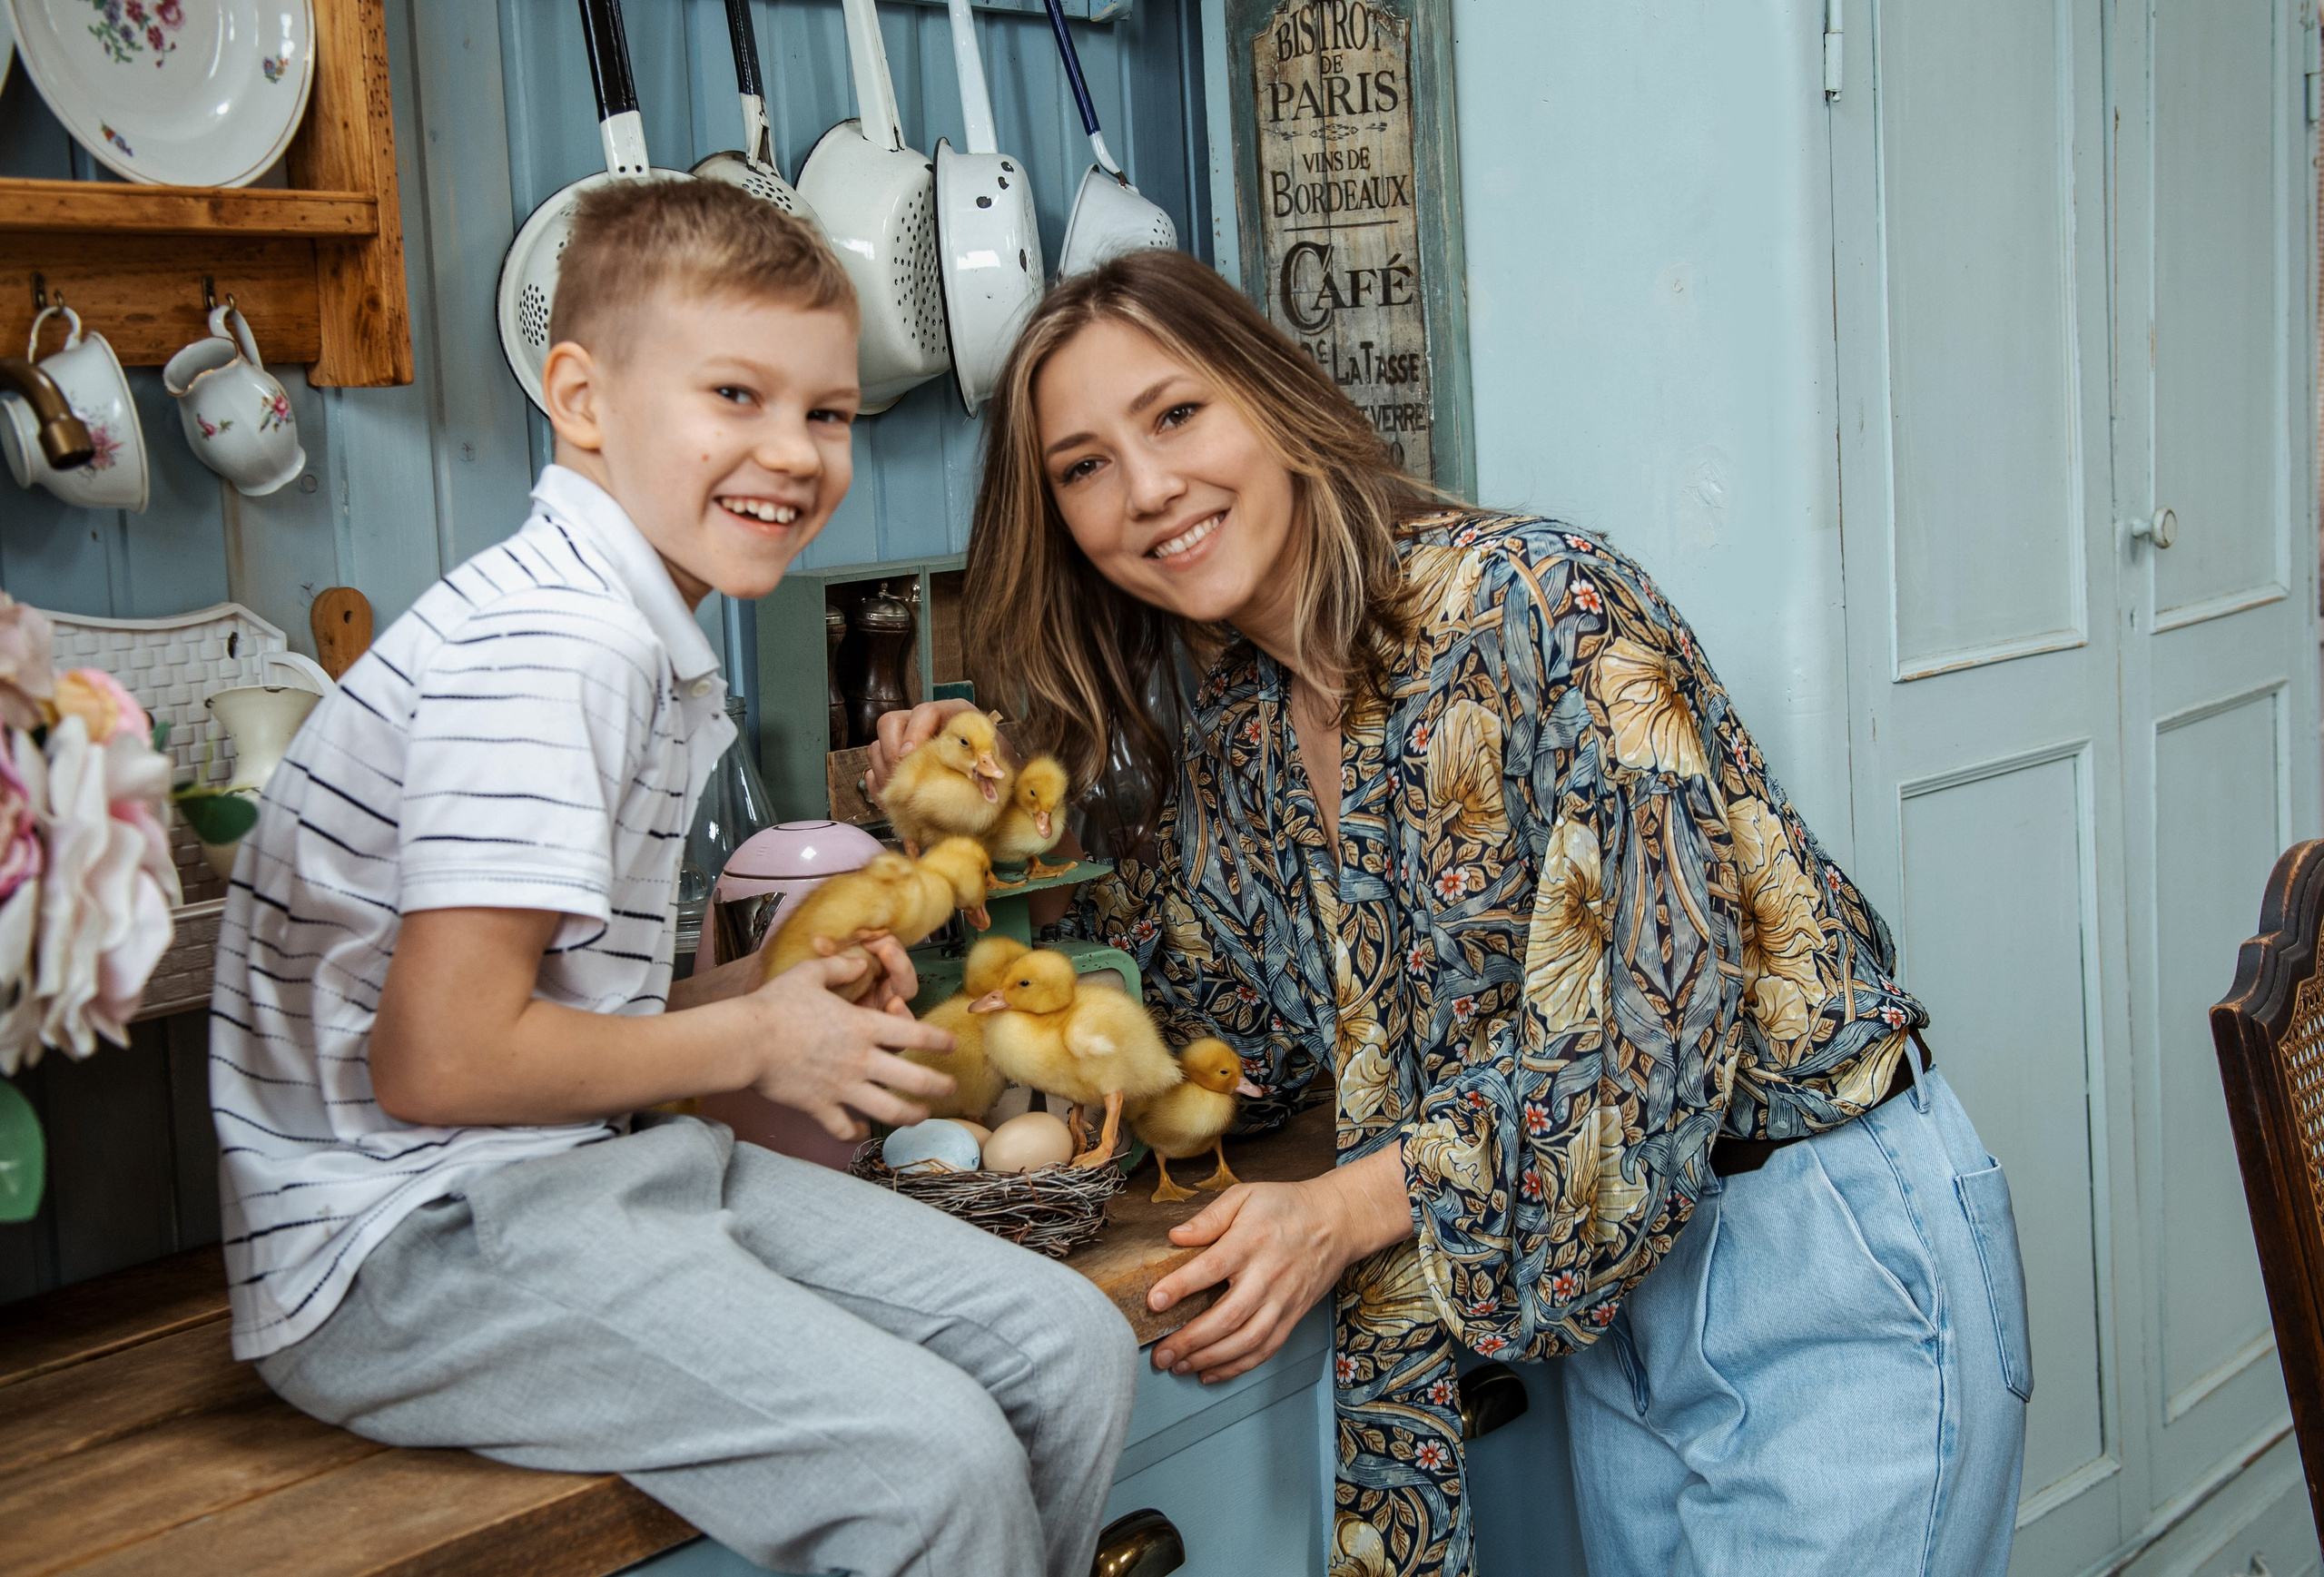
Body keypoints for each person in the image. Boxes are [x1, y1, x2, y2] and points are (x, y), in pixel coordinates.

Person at [869, 250, 2031, 1577]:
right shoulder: (1247, 727)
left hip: (1814, 1259)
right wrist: (996, 805)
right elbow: (1228, 1037)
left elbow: (1645, 1045)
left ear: (1272, 396)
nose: (1147, 490)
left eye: (1177, 413)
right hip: (1615, 1302)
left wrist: (1350, 1209)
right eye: (1083, 466)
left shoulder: (1547, 604)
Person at [209, 180, 1137, 1577]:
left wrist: (760, 987)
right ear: (582, 398)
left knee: (1067, 1347)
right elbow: (441, 1062)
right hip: (402, 1250)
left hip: (580, 1171)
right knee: (931, 1468)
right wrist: (760, 1034)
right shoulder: (557, 647)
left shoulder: (634, 638)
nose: (794, 451)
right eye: (734, 394)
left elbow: (557, 1031)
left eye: (825, 413)